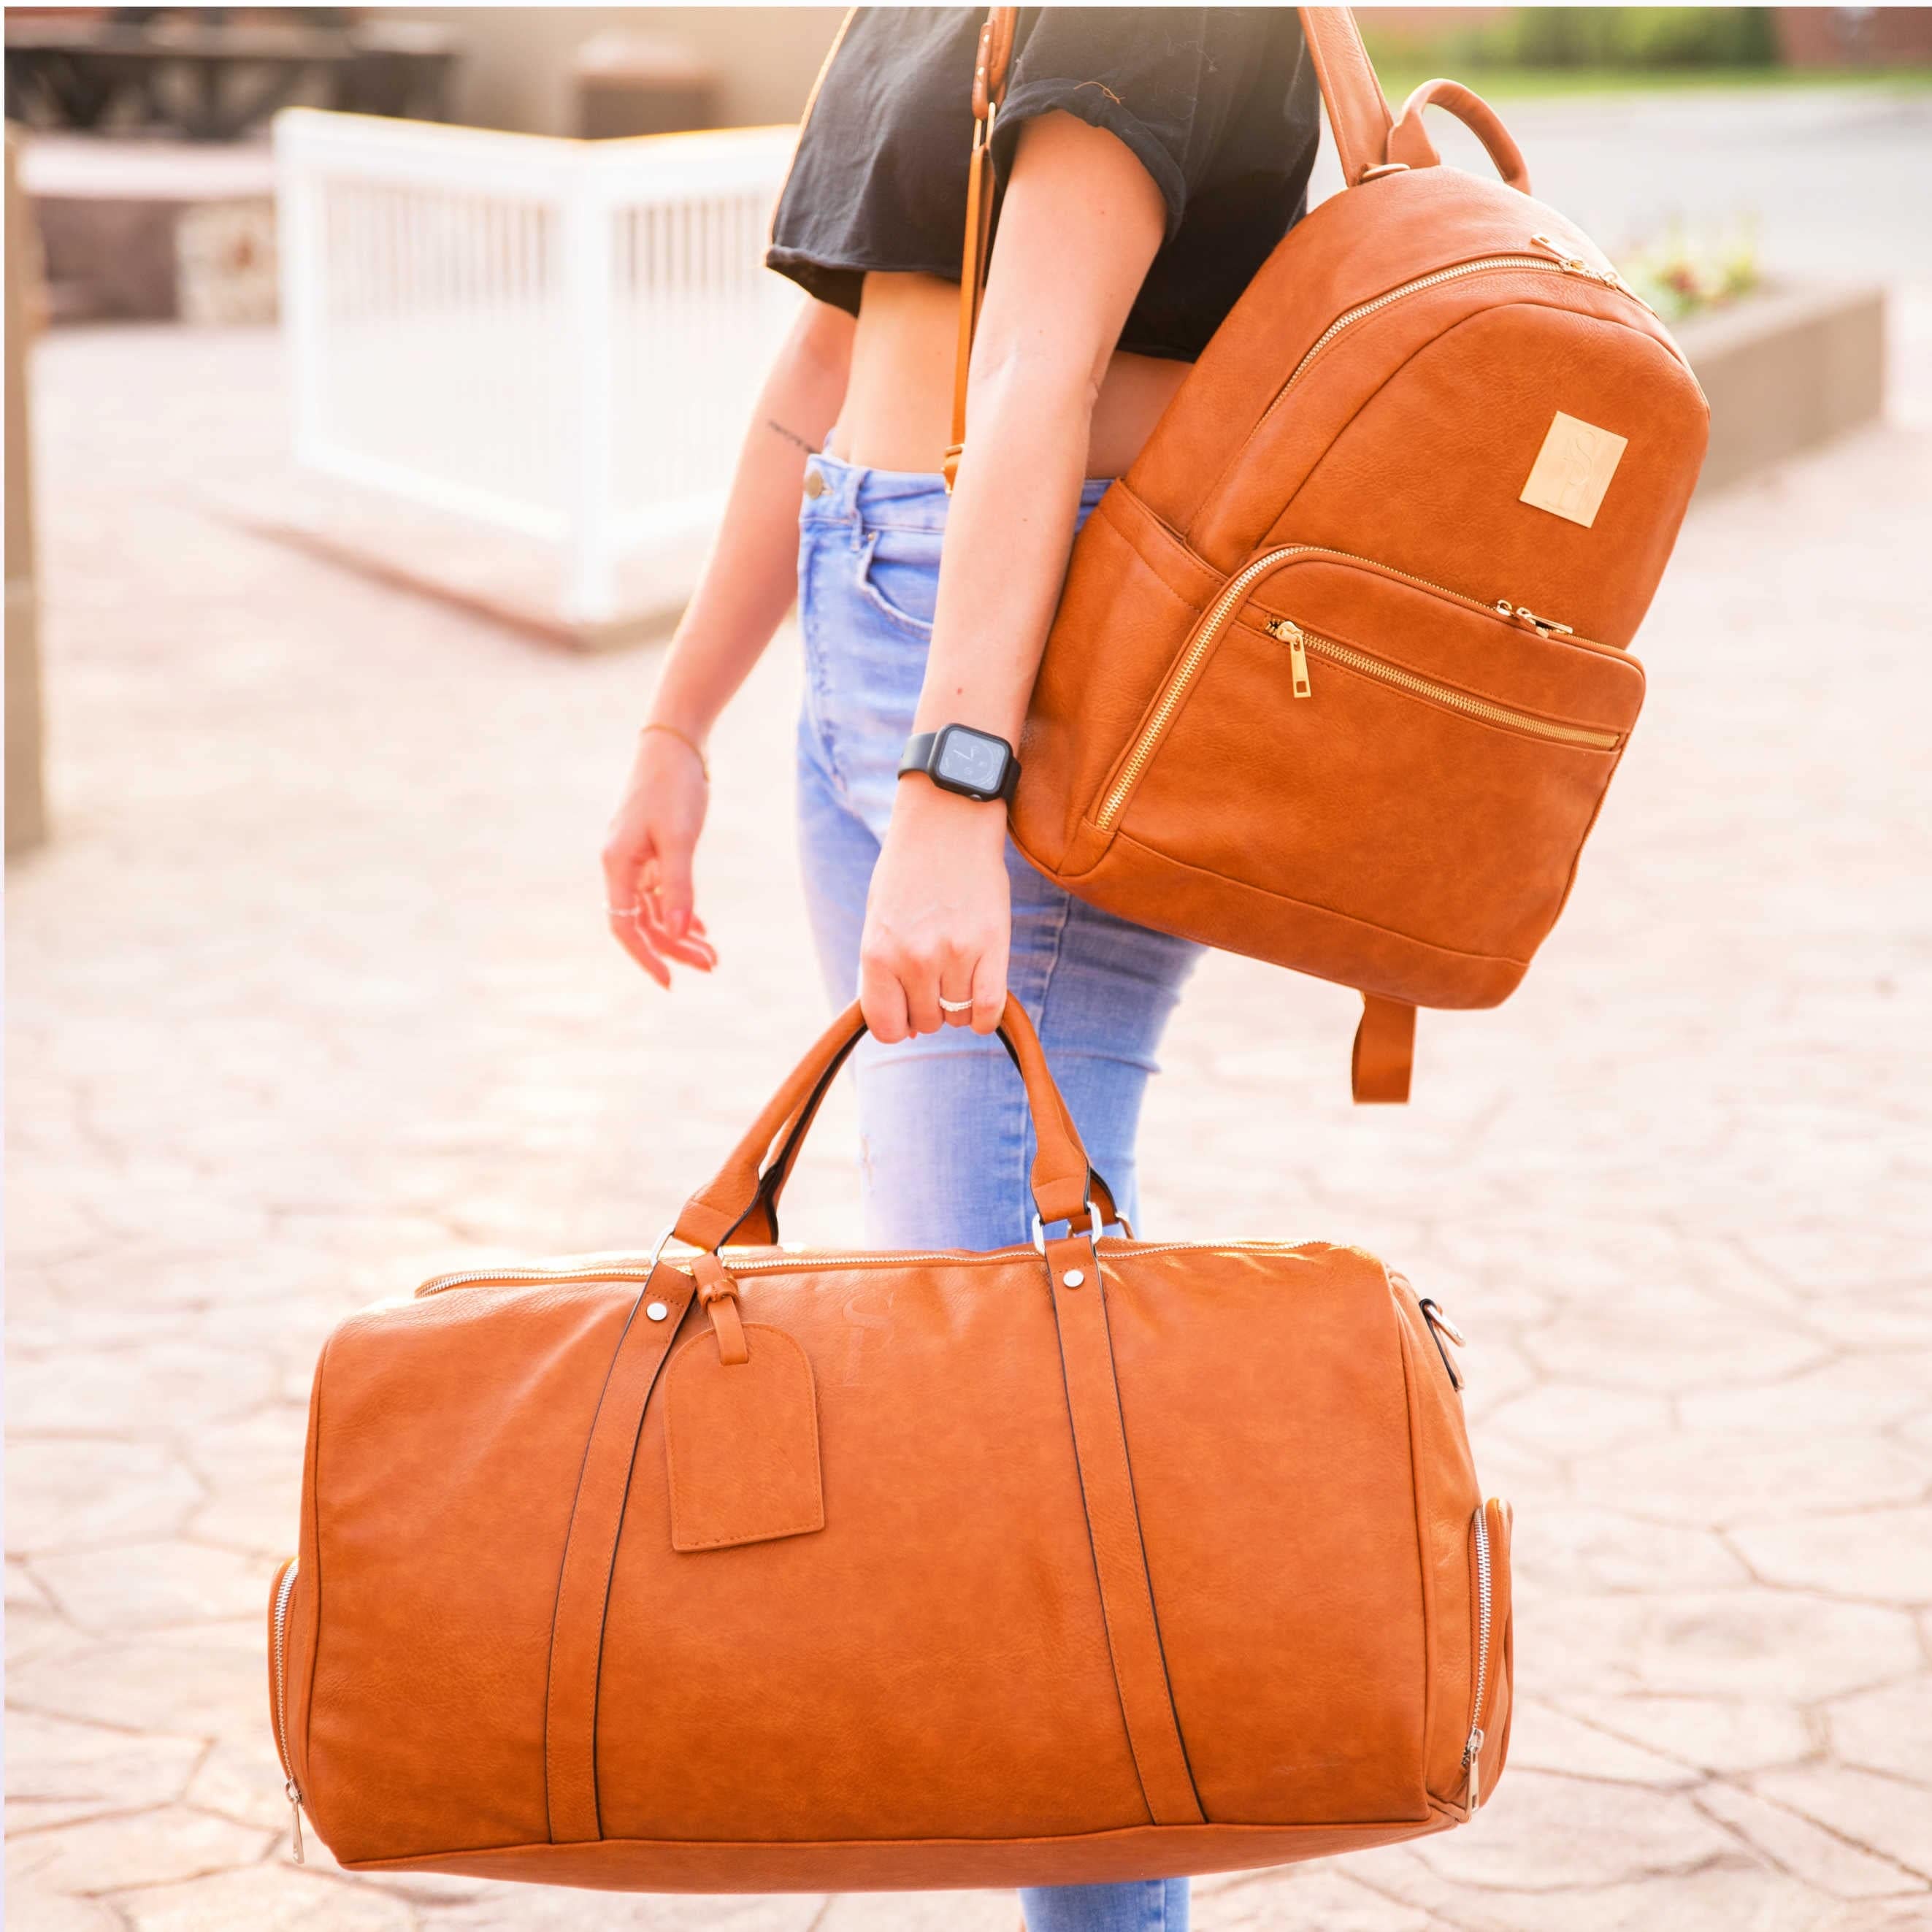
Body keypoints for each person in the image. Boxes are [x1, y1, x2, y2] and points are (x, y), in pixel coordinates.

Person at [601, 10, 1319, 1928]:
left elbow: (1040, 368)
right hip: (882, 597)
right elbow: (831, 359)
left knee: (1024, 1427)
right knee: (991, 1366)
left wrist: (953, 776)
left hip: (1017, 661)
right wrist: (680, 721)